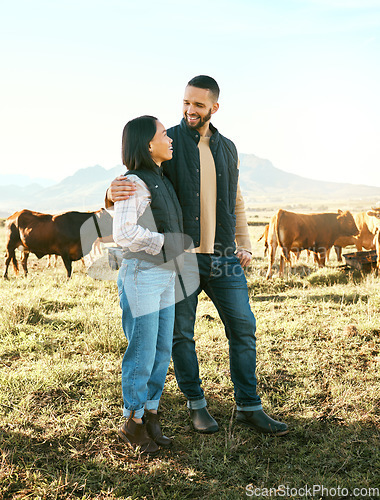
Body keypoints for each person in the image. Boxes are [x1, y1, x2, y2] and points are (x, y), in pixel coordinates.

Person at [107, 76, 288, 436]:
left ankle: (249, 407)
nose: (190, 111)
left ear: (214, 108)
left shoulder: (229, 148)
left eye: (198, 105)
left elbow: (235, 199)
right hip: (181, 260)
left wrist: (245, 243)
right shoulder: (168, 141)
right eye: (186, 103)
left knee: (244, 329)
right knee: (181, 336)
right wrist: (110, 194)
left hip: (223, 257)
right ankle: (197, 406)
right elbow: (140, 178)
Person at [113, 115, 185, 455]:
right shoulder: (134, 183)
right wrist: (164, 242)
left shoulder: (160, 177)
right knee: (141, 352)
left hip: (165, 274)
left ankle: (151, 412)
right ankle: (133, 421)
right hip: (142, 272)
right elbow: (123, 232)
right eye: (163, 133)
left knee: (161, 350)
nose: (169, 138)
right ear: (147, 144)